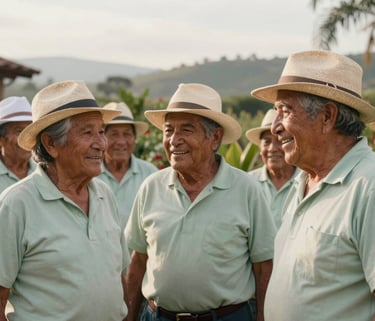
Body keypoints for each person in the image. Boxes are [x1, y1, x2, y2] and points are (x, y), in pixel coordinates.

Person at [125, 83, 276, 321]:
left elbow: (264, 267)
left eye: (186, 130)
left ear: (215, 137)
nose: (174, 140)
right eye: (168, 130)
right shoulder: (151, 187)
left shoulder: (247, 189)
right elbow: (138, 261)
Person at [251, 50, 375, 321]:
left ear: (327, 117)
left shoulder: (368, 186)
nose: (275, 128)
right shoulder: (304, 181)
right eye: (276, 112)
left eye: (285, 111)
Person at [0, 80, 130, 321]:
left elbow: (117, 276)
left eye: (101, 131)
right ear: (51, 144)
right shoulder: (16, 204)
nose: (101, 144)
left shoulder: (104, 194)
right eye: (87, 132)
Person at [98, 102, 157, 226]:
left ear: (134, 138)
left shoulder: (150, 174)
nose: (121, 142)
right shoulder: (90, 175)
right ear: (102, 139)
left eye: (127, 134)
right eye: (114, 134)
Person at [246, 109, 299, 228]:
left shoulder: (307, 181)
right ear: (260, 149)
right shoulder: (246, 183)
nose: (272, 148)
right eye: (266, 142)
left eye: (279, 141)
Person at [0, 96, 35, 193]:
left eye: (30, 131)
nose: (27, 138)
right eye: (19, 131)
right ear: (1, 139)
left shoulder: (44, 172)